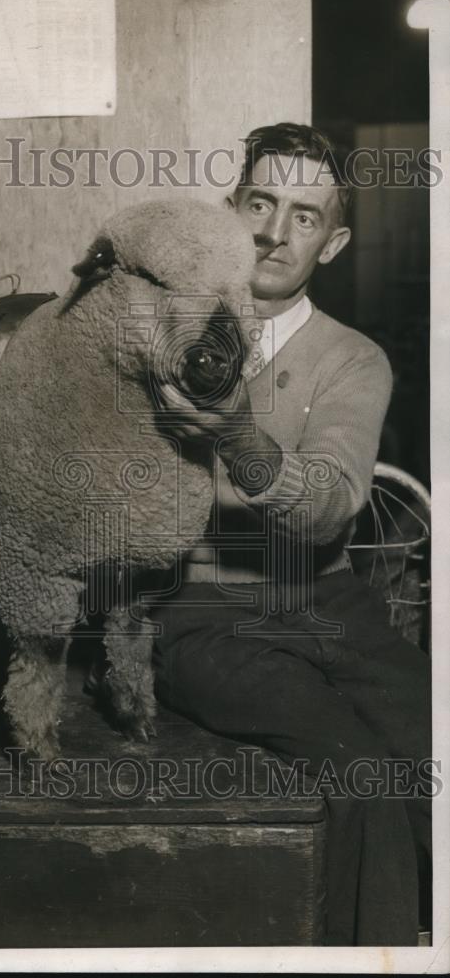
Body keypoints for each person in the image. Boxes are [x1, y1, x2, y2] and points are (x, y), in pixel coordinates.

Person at [151, 122, 432, 946]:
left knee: (433, 750)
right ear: (228, 210)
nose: (275, 231)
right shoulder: (154, 340)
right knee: (359, 775)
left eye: (304, 216)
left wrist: (236, 435)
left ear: (333, 242)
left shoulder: (352, 359)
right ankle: (372, 954)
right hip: (200, 611)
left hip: (328, 598)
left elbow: (333, 506)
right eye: (260, 202)